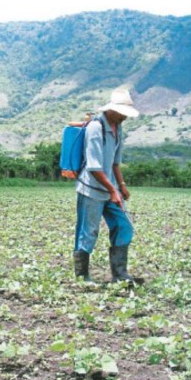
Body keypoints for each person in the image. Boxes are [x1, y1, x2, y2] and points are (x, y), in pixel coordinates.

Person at [73, 89, 139, 283]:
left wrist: (121, 186)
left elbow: (114, 163)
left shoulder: (118, 128)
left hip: (110, 188)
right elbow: (94, 167)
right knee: (89, 231)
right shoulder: (95, 128)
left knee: (124, 225)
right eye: (122, 113)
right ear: (112, 110)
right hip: (91, 189)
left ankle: (120, 274)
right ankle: (82, 276)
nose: (125, 117)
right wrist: (113, 190)